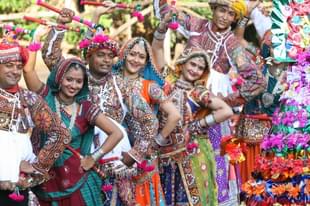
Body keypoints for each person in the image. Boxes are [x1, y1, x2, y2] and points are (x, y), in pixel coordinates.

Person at [153, 0, 266, 204]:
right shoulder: (196, 25)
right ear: (213, 9)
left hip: (209, 108)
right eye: (222, 10)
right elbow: (166, 13)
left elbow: (257, 81)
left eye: (231, 14)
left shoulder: (232, 44)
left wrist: (224, 100)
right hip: (179, 91)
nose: (225, 17)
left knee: (210, 159)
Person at [23, 40, 123, 205]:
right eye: (69, 79)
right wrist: (34, 42)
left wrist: (94, 157)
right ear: (59, 78)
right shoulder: (45, 97)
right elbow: (28, 71)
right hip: (44, 181)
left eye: (79, 81)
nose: (73, 85)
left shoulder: (86, 108)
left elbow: (116, 133)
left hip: (77, 182)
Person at [152, 24, 234, 205]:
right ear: (183, 63)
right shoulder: (167, 81)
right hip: (163, 155)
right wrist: (163, 25)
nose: (195, 70)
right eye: (193, 64)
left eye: (200, 68)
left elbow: (226, 111)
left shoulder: (197, 92)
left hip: (189, 155)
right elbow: (157, 47)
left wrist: (198, 125)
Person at [0, 38, 71, 206]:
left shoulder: (29, 99)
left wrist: (38, 167)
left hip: (15, 188)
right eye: (9, 65)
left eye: (19, 66)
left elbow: (60, 133)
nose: (15, 71)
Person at [112, 36, 181, 206]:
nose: (135, 60)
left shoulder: (149, 87)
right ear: (124, 54)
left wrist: (155, 142)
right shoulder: (110, 81)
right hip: (112, 151)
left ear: (146, 62)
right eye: (132, 54)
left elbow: (175, 115)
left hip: (141, 156)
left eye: (141, 57)